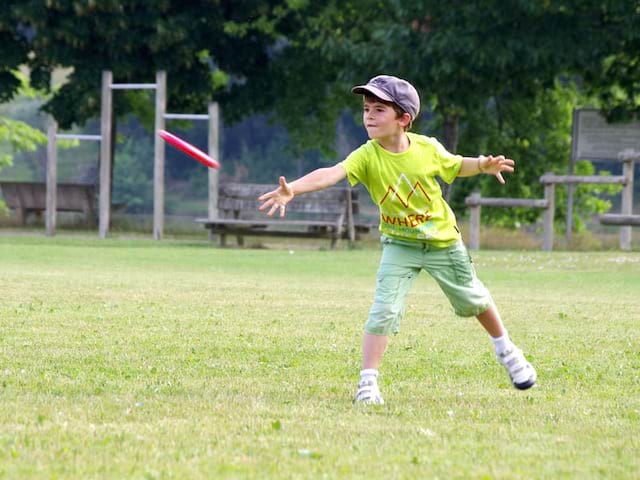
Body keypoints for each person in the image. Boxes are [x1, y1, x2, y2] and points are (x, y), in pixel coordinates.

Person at [258, 75, 536, 404]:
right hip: (399, 245)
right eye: (366, 109)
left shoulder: (426, 148)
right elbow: (332, 173)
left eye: (379, 109)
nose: (369, 116)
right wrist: (294, 189)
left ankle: (507, 350)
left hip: (441, 241)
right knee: (383, 311)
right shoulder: (367, 155)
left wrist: (483, 165)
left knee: (474, 299)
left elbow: (456, 165)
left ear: (404, 119)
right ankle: (368, 383)